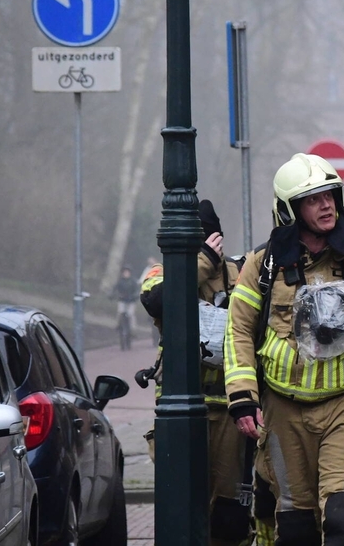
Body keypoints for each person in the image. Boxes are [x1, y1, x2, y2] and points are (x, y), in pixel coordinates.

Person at [224, 153, 344, 546]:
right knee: (296, 529)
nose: (326, 204)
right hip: (282, 410)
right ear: (290, 209)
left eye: (330, 194)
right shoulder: (263, 265)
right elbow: (239, 331)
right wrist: (243, 398)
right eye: (313, 199)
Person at [139, 199, 251, 546]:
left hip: (230, 410)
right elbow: (157, 301)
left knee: (230, 515)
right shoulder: (162, 274)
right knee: (183, 506)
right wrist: (200, 262)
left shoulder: (241, 274)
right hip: (180, 415)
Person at [113, 266, 138, 351]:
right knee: (119, 312)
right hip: (122, 301)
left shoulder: (133, 281)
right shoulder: (120, 281)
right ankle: (117, 325)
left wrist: (135, 296)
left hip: (131, 302)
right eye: (124, 272)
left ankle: (133, 329)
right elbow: (115, 289)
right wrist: (112, 295)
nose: (126, 274)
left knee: (131, 315)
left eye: (127, 272)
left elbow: (137, 291)